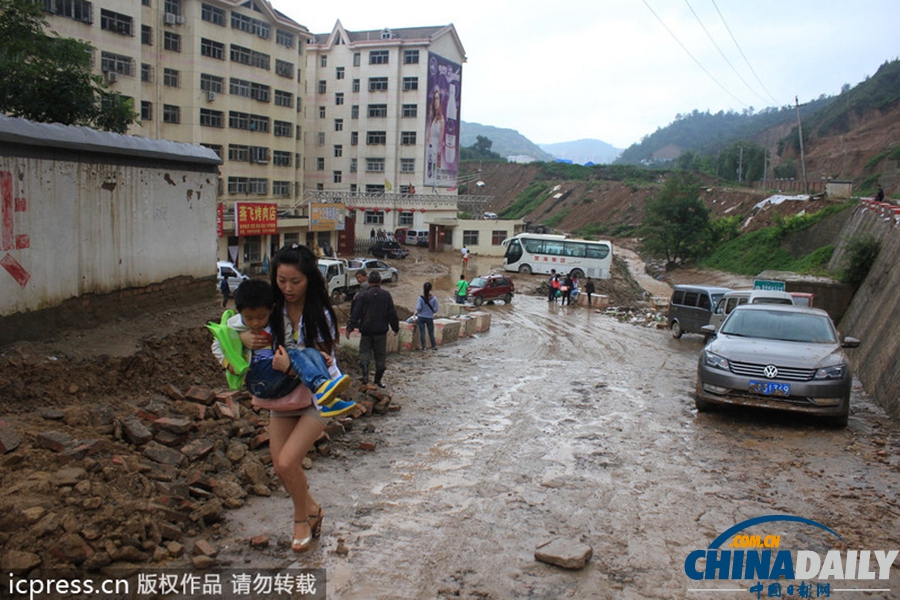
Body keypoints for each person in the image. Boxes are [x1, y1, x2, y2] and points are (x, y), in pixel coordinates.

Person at [237, 244, 350, 553]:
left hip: (317, 396)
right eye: (281, 280)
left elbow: (322, 362)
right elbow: (234, 325)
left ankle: (301, 520)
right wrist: (243, 336)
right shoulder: (270, 309)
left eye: (295, 281)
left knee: (289, 462)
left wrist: (291, 367)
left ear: (309, 280)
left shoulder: (321, 314)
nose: (287, 288)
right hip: (283, 396)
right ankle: (313, 509)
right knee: (280, 466)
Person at [211, 279, 353, 414]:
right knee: (296, 353)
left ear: (272, 309)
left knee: (310, 352)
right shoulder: (233, 325)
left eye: (261, 317)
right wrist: (228, 363)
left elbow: (291, 346)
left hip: (280, 375)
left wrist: (314, 356)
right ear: (239, 311)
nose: (255, 323)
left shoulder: (280, 322)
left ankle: (329, 401)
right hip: (258, 378)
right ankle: (321, 386)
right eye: (249, 318)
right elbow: (217, 344)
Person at [346, 270, 399, 388]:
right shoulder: (386, 295)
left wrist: (350, 327)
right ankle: (377, 381)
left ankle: (365, 377)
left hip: (366, 331)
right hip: (380, 332)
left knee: (365, 353)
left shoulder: (363, 296)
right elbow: (392, 314)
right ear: (380, 281)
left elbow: (356, 314)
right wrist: (395, 328)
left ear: (368, 281)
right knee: (380, 357)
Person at [414, 282, 439, 351]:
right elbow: (436, 309)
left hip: (421, 317)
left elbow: (418, 308)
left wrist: (418, 312)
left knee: (422, 332)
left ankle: (424, 347)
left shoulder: (420, 298)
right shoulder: (434, 298)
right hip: (430, 317)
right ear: (431, 289)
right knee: (431, 332)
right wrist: (431, 312)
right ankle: (433, 346)